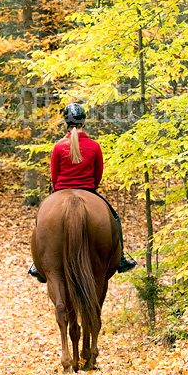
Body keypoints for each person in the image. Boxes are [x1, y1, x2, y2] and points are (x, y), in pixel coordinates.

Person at [29, 103, 137, 282]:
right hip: (88, 189)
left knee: (40, 221)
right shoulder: (94, 146)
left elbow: (54, 177)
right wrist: (90, 187)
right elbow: (98, 175)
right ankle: (122, 258)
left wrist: (58, 190)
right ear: (84, 122)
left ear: (66, 123)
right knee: (114, 218)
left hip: (61, 190)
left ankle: (37, 263)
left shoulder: (58, 146)